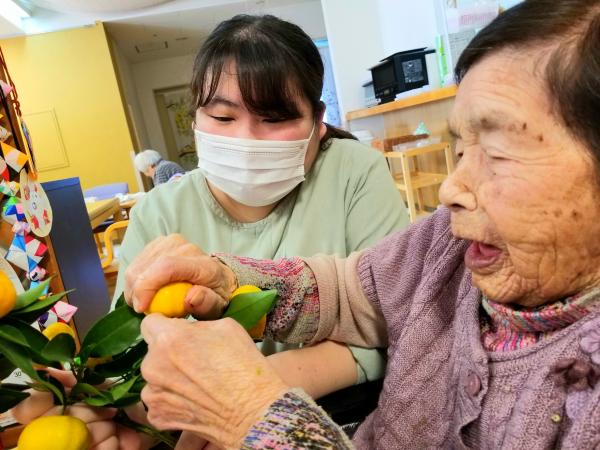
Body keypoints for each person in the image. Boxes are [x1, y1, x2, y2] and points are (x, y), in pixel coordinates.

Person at [125, 1, 600, 448]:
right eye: (460, 150)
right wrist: (230, 279)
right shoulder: (447, 246)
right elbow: (355, 291)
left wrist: (254, 416)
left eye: (496, 154)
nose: (450, 190)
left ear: (318, 124)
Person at [9, 13, 409, 450]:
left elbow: (396, 320)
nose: (248, 139)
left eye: (274, 119)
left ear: (318, 122)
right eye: (223, 116)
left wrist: (240, 397)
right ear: (196, 118)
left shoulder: (353, 173)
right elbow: (133, 360)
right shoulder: (160, 213)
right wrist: (109, 404)